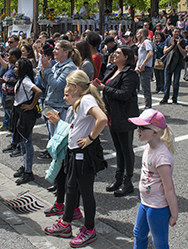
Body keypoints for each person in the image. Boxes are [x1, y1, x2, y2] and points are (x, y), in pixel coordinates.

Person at [44, 70, 108, 248]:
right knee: (71, 188)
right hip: (75, 153)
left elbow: (102, 119)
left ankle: (89, 229)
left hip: (83, 154)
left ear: (74, 87)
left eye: (67, 86)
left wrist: (90, 138)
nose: (65, 89)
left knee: (85, 192)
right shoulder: (81, 100)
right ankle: (65, 223)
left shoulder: (86, 99)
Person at [93, 45, 139, 197]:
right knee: (118, 149)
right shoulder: (113, 69)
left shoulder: (130, 73)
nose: (114, 55)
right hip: (112, 114)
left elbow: (124, 94)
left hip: (125, 115)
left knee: (126, 149)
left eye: (118, 53)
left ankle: (128, 181)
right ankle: (118, 178)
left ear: (126, 57)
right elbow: (106, 85)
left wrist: (104, 88)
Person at [129, 109, 177, 249]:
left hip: (158, 207)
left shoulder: (162, 157)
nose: (138, 130)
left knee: (160, 243)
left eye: (142, 128)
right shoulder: (148, 147)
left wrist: (174, 214)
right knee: (138, 233)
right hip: (145, 203)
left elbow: (169, 188)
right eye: (138, 126)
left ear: (155, 132)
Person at [12, 58, 43, 185]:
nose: (14, 69)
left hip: (26, 113)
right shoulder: (21, 79)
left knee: (27, 142)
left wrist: (31, 106)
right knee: (23, 142)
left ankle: (29, 172)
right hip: (19, 111)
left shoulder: (25, 80)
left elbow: (38, 91)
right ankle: (24, 166)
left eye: (16, 66)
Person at [160, 28, 186, 105]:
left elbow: (184, 53)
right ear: (172, 32)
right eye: (175, 31)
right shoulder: (168, 40)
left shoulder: (182, 40)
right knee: (167, 81)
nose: (177, 33)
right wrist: (172, 46)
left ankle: (175, 98)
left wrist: (178, 45)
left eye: (178, 32)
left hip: (178, 63)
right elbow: (164, 51)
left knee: (176, 82)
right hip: (169, 62)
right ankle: (165, 97)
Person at [136, 28, 154, 109]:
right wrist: (137, 66)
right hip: (140, 68)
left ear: (142, 34)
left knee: (146, 89)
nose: (137, 35)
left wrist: (143, 64)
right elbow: (140, 57)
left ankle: (148, 107)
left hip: (146, 68)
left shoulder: (146, 42)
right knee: (141, 88)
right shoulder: (141, 43)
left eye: (138, 34)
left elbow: (150, 53)